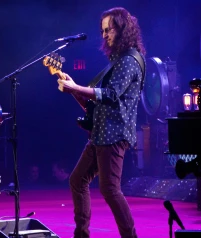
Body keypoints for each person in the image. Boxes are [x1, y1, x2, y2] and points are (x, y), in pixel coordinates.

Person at [56, 7, 146, 238]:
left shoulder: (129, 61)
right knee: (78, 180)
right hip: (100, 133)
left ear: (123, 29)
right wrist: (75, 89)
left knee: (109, 189)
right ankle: (82, 234)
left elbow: (111, 94)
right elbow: (96, 105)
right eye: (103, 30)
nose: (105, 35)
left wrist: (76, 87)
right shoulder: (117, 61)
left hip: (114, 135)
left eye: (110, 29)